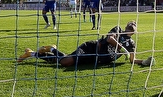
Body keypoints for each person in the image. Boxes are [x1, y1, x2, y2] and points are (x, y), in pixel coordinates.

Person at [18, 21, 152, 68]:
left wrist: (144, 62)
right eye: (130, 24)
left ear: (135, 31)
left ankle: (32, 53)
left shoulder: (131, 44)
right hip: (91, 48)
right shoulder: (118, 30)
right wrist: (122, 48)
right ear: (126, 26)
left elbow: (132, 60)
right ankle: (52, 48)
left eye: (134, 25)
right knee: (66, 62)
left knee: (62, 61)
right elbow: (110, 39)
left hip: (94, 60)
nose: (132, 25)